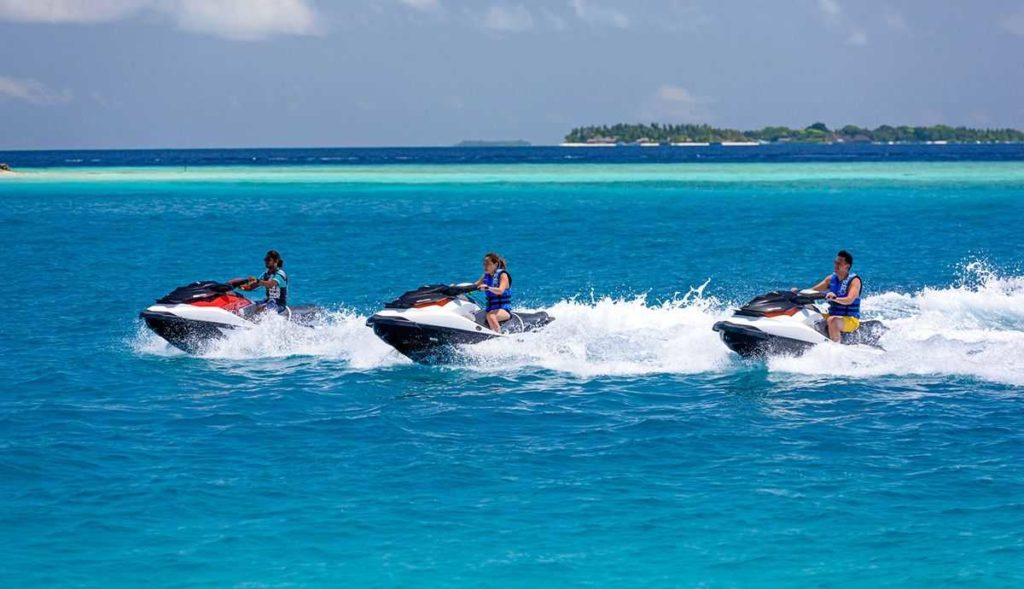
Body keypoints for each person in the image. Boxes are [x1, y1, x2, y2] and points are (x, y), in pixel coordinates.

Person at [805, 250, 861, 342]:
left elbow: (849, 300)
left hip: (850, 320)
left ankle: (836, 348)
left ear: (847, 266)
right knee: (809, 310)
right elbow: (812, 291)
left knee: (832, 320)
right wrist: (797, 292)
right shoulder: (831, 279)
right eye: (835, 262)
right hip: (832, 315)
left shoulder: (854, 281)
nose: (836, 265)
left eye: (839, 263)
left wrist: (835, 298)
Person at [474, 252, 512, 333]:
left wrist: (488, 288)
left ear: (495, 264)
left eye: (488, 264)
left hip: (504, 309)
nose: (485, 266)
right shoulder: (486, 276)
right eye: (484, 264)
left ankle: (499, 338)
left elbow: (501, 290)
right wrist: (456, 288)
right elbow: (474, 286)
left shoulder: (503, 275)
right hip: (490, 309)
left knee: (491, 316)